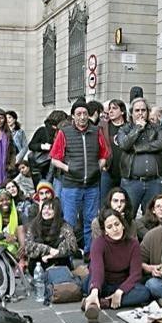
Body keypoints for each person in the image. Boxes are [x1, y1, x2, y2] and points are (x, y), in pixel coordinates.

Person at [51, 99, 109, 249]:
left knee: (91, 221)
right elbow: (55, 159)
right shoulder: (65, 132)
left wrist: (98, 166)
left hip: (92, 185)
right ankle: (68, 254)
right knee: (69, 222)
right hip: (71, 185)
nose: (82, 117)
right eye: (79, 114)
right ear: (73, 116)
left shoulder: (96, 131)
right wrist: (68, 168)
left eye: (85, 113)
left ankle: (90, 254)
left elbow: (105, 154)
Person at [82, 209, 152, 322]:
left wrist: (120, 291)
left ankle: (102, 302)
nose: (115, 229)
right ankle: (95, 297)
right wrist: (95, 290)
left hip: (122, 283)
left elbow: (136, 274)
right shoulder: (99, 243)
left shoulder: (133, 244)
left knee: (144, 293)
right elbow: (97, 269)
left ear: (123, 225)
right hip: (101, 282)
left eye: (117, 224)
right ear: (105, 231)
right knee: (89, 284)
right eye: (109, 227)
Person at [116, 97, 162, 213]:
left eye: (143, 110)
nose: (140, 114)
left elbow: (161, 144)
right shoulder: (125, 129)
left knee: (153, 217)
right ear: (131, 113)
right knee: (128, 215)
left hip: (153, 182)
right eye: (137, 111)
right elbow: (124, 144)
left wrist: (137, 148)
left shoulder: (156, 128)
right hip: (131, 182)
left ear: (148, 112)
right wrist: (137, 128)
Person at [23, 198, 79, 269]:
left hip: (59, 263)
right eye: (44, 208)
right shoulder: (34, 225)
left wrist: (53, 255)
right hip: (38, 265)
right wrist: (49, 250)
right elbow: (28, 247)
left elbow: (72, 246)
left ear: (56, 212)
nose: (46, 211)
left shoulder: (64, 225)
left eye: (50, 209)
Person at [27, 110, 65, 184]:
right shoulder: (43, 130)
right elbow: (31, 145)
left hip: (55, 167)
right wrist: (43, 146)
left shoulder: (61, 131)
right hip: (43, 165)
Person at [0, 188, 23, 256]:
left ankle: (21, 257)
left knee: (21, 228)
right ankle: (7, 256)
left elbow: (25, 230)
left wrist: (14, 237)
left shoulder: (18, 214)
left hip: (16, 244)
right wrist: (5, 235)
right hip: (0, 247)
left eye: (7, 199)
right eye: (1, 201)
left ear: (11, 201)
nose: (5, 202)